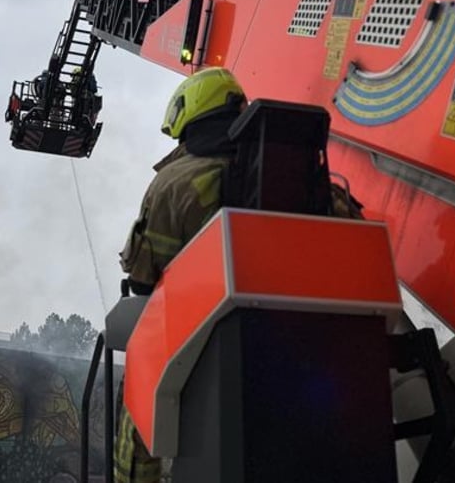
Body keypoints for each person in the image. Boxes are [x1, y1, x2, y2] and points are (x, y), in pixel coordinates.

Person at [113, 67, 364, 482]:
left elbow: (143, 280)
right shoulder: (313, 178)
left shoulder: (174, 183)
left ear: (188, 112)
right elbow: (355, 242)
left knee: (139, 401)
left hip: (207, 346)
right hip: (325, 348)